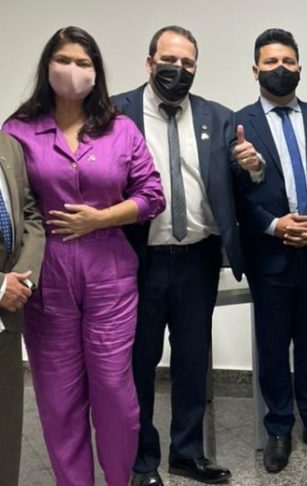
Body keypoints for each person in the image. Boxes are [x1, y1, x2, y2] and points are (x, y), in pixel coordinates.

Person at [2, 26, 165, 486]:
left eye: (83, 63)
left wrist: (102, 218)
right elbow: (11, 206)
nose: (72, 71)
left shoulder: (120, 128)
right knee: (58, 398)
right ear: (47, 66)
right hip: (46, 273)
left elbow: (152, 195)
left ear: (97, 72)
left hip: (109, 270)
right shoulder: (17, 131)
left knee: (115, 392)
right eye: (64, 60)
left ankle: (118, 478)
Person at [112, 25, 251, 486]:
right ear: (149, 62)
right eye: (169, 60)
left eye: (187, 63)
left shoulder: (218, 116)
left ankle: (187, 453)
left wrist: (252, 167)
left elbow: (234, 180)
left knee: (192, 361)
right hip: (138, 259)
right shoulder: (116, 112)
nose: (178, 69)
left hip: (198, 256)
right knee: (139, 362)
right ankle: (142, 460)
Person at [232, 28, 307, 473]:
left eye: (287, 61)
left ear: (300, 66)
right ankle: (279, 429)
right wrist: (274, 225)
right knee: (272, 346)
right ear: (255, 70)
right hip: (270, 255)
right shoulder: (238, 123)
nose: (280, 69)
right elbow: (234, 193)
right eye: (271, 62)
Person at [0, 132, 45, 485]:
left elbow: (31, 215)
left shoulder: (8, 145)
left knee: (5, 434)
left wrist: (23, 280)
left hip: (8, 314)